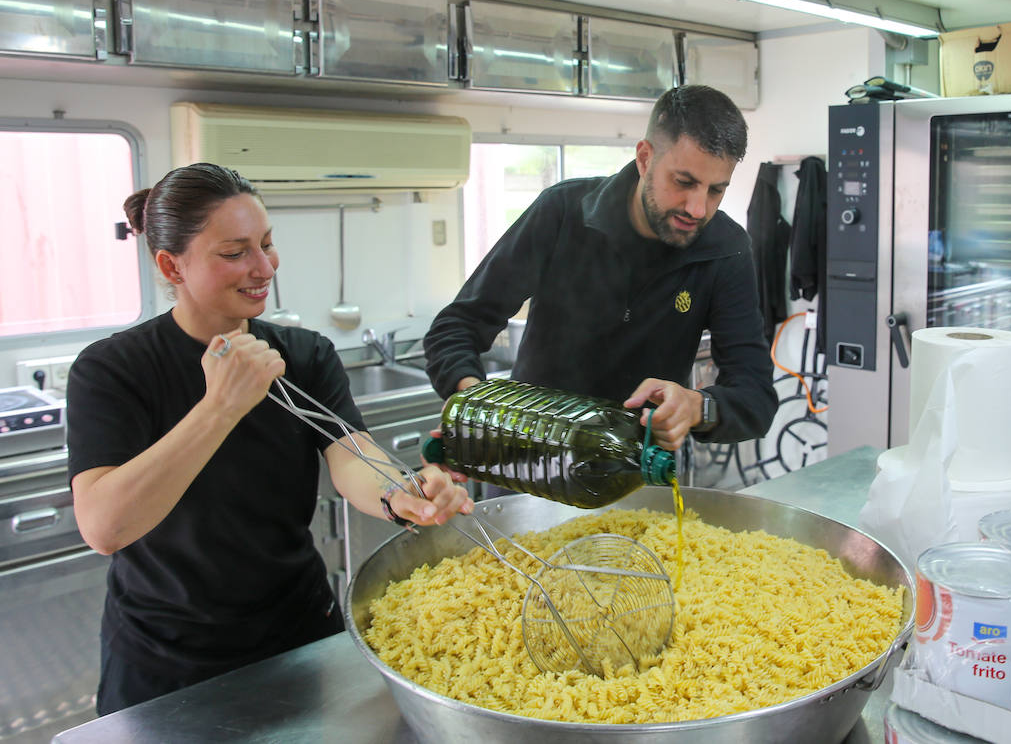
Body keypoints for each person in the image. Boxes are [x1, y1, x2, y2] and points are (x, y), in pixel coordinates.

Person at [65, 162, 472, 715]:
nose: (264, 268)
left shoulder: (304, 355)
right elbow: (105, 527)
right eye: (234, 253)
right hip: (166, 656)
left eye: (267, 244)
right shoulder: (114, 369)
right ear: (171, 265)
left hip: (296, 633)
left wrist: (401, 491)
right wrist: (219, 407)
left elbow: (352, 453)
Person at [424, 84, 779, 452]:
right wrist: (476, 401)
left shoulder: (725, 250)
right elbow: (457, 326)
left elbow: (756, 398)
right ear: (644, 159)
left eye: (715, 191)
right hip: (529, 460)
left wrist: (697, 407)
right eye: (684, 182)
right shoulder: (563, 213)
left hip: (637, 473)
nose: (697, 209)